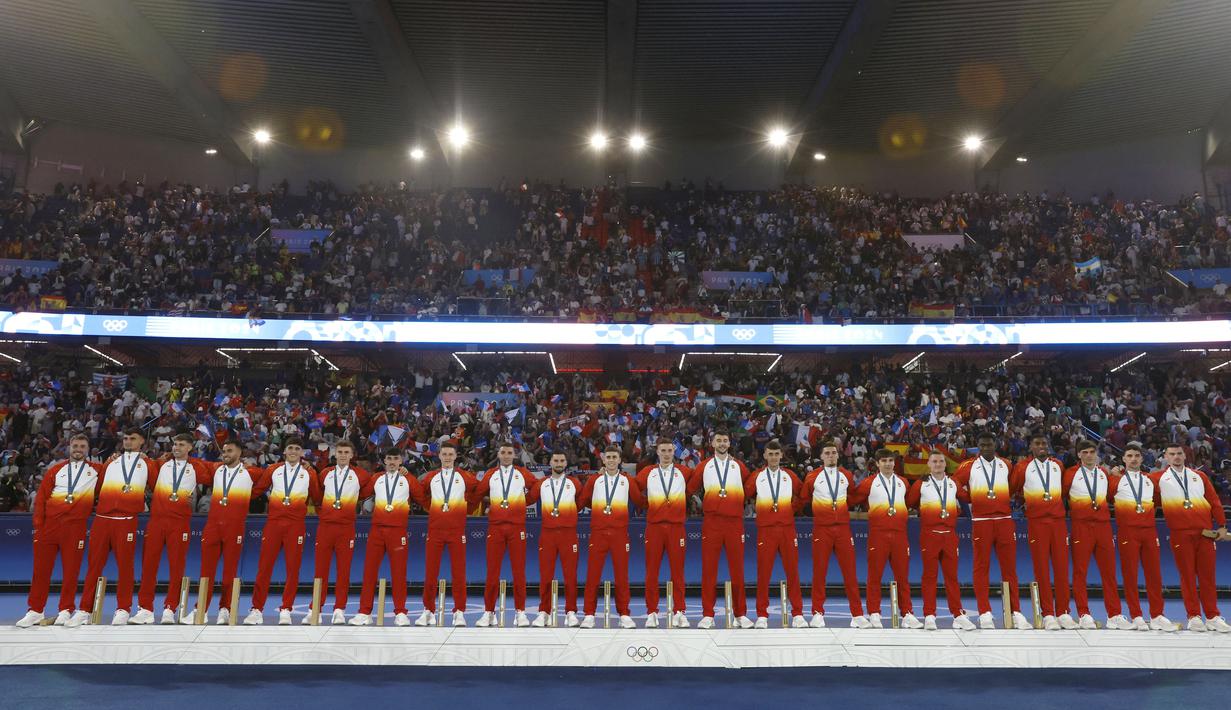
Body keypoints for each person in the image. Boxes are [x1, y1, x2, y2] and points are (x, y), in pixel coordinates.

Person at [16, 434, 102, 628]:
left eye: (82, 446)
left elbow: (117, 474)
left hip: (75, 527)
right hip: (49, 526)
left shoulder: (97, 471)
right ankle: (35, 610)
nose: (78, 449)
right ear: (69, 448)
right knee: (40, 571)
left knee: (71, 571)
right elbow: (41, 497)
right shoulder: (56, 470)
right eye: (75, 445)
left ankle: (65, 609)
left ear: (88, 449)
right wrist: (39, 526)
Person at [77, 428, 154, 626]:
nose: (128, 441)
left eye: (133, 439)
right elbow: (98, 485)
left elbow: (161, 486)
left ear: (142, 442)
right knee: (93, 566)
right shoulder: (111, 461)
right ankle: (84, 609)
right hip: (101, 519)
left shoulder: (148, 464)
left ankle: (123, 609)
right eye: (126, 438)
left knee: (125, 567)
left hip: (127, 520)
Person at [953, 433, 1031, 629]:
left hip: (1004, 520)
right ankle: (984, 612)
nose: (986, 447)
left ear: (995, 444)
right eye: (982, 444)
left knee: (1010, 569)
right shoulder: (968, 466)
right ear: (977, 446)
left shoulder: (1006, 464)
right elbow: (953, 483)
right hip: (981, 521)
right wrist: (969, 497)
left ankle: (1015, 612)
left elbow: (1012, 486)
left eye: (989, 444)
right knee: (981, 567)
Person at [132, 433, 211, 625]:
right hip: (157, 521)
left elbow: (218, 475)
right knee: (149, 565)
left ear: (190, 448)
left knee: (176, 568)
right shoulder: (161, 463)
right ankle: (145, 609)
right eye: (175, 444)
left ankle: (170, 608)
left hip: (180, 523)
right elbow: (143, 462)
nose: (176, 447)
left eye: (181, 444)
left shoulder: (197, 467)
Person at [1154, 443, 1229, 632]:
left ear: (1185, 455)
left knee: (1208, 577)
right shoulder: (1158, 479)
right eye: (1172, 454)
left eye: (1179, 453)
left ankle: (1212, 616)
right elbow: (1137, 483)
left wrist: (1221, 525)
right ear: (1166, 457)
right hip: (1180, 534)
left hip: (1205, 533)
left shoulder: (1199, 476)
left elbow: (1214, 501)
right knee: (1187, 577)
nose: (1176, 456)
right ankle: (1194, 616)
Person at [245, 437, 319, 625]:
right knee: (264, 567)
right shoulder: (273, 470)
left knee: (293, 569)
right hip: (274, 523)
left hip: (296, 525)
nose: (293, 451)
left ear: (301, 453)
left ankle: (286, 608)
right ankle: (256, 609)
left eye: (297, 448)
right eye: (290, 448)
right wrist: (243, 474)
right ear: (284, 451)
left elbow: (317, 498)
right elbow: (256, 491)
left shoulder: (309, 473)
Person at [798, 441, 869, 628]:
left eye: (833, 453)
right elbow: (803, 499)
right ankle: (817, 613)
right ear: (821, 456)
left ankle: (857, 614)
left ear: (838, 455)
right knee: (819, 572)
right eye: (827, 453)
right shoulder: (812, 477)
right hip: (822, 528)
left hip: (843, 528)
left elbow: (852, 497)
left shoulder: (846, 475)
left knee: (850, 572)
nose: (831, 456)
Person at [194, 439, 266, 624]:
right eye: (224, 451)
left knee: (229, 572)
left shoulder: (252, 472)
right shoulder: (216, 468)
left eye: (230, 451)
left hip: (234, 527)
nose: (225, 453)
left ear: (240, 453)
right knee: (205, 571)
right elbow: (195, 465)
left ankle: (225, 609)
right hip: (213, 526)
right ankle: (200, 609)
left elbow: (269, 478)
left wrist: (249, 495)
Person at [1009, 434, 1076, 630]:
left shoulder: (1058, 465)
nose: (1041, 446)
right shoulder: (1022, 467)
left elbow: (1062, 490)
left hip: (1058, 522)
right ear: (1030, 446)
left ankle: (1063, 612)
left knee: (1062, 568)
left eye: (1044, 443)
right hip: (1037, 522)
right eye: (1037, 443)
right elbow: (1013, 488)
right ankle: (1047, 614)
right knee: (1042, 569)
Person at [688, 430, 753, 629]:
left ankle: (741, 614)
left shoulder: (739, 466)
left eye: (725, 440)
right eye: (719, 440)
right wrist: (700, 502)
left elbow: (749, 487)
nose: (722, 443)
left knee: (738, 570)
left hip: (734, 522)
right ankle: (708, 614)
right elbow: (690, 488)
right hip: (712, 522)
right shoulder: (704, 466)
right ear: (712, 443)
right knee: (709, 569)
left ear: (730, 443)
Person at [849, 448, 921, 629]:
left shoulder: (903, 482)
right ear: (877, 463)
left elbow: (911, 502)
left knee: (903, 576)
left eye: (890, 460)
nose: (888, 464)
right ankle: (874, 613)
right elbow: (852, 500)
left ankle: (907, 614)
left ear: (894, 462)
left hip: (899, 535)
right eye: (884, 461)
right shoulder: (869, 483)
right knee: (874, 575)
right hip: (878, 535)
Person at [1063, 441, 1130, 630]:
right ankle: (1083, 614)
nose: (1090, 455)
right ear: (1079, 455)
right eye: (1085, 452)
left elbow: (1110, 495)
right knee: (1080, 572)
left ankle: (1114, 614)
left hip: (1103, 527)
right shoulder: (1070, 474)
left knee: (1109, 573)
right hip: (1081, 526)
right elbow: (1060, 494)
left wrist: (1117, 477)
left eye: (1092, 452)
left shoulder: (1103, 473)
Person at [907, 450, 976, 631]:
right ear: (928, 465)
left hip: (949, 534)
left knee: (952, 577)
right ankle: (929, 615)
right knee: (929, 576)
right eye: (934, 462)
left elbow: (964, 499)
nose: (938, 464)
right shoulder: (921, 484)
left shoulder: (953, 483)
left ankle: (958, 615)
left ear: (945, 464)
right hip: (930, 534)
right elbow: (911, 502)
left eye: (941, 461)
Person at [578, 446, 645, 629]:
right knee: (592, 575)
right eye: (608, 457)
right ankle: (589, 614)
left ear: (620, 459)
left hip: (619, 533)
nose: (612, 460)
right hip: (598, 533)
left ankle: (624, 614)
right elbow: (581, 501)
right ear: (603, 459)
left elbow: (640, 501)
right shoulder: (595, 480)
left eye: (615, 457)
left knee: (622, 576)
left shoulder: (627, 480)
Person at [349, 448, 418, 626]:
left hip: (398, 531)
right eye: (389, 458)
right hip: (377, 530)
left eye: (396, 458)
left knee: (399, 573)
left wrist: (410, 475)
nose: (393, 461)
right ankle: (364, 612)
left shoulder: (407, 478)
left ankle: (401, 612)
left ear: (401, 460)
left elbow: (422, 496)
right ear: (384, 461)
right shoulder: (377, 478)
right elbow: (361, 493)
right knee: (369, 571)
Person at [413, 442, 478, 627]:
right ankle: (428, 611)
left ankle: (459, 612)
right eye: (444, 454)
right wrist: (431, 508)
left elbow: (479, 491)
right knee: (430, 572)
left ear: (456, 456)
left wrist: (468, 507)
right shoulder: (431, 477)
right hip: (435, 530)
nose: (447, 457)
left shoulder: (465, 477)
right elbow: (419, 494)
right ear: (439, 456)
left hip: (457, 530)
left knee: (459, 572)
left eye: (450, 454)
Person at [474, 443, 538, 628]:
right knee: (492, 572)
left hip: (517, 527)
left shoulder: (522, 473)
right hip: (495, 527)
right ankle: (488, 613)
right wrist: (490, 504)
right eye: (503, 452)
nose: (507, 455)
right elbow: (478, 493)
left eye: (510, 452)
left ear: (515, 455)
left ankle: (521, 613)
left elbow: (536, 489)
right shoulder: (490, 474)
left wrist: (524, 502)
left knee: (519, 572)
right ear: (498, 454)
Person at [308, 439, 370, 625]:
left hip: (346, 527)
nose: (342, 455)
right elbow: (318, 496)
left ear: (352, 455)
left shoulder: (361, 475)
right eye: (340, 452)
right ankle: (316, 610)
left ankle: (339, 609)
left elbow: (365, 494)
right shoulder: (325, 473)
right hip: (326, 526)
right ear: (335, 454)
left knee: (343, 570)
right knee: (320, 570)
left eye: (346, 452)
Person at [745, 440, 805, 628]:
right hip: (766, 530)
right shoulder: (757, 476)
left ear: (781, 455)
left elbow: (803, 495)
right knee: (763, 573)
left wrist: (790, 510)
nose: (773, 457)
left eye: (776, 454)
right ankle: (762, 615)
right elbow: (743, 494)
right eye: (769, 454)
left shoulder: (790, 476)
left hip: (787, 529)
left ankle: (798, 614)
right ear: (765, 456)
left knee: (793, 572)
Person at [1113, 442, 1171, 631]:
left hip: (1149, 531)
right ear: (1124, 459)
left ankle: (1157, 615)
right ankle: (1136, 615)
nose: (1133, 459)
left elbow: (1161, 496)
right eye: (1129, 456)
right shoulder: (1115, 480)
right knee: (1130, 575)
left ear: (1142, 458)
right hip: (1128, 531)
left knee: (1154, 574)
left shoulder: (1150, 480)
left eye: (1136, 456)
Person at [635, 440, 690, 628]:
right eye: (663, 451)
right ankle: (651, 612)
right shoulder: (648, 472)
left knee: (678, 572)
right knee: (652, 572)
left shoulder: (684, 471)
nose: (666, 454)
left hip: (676, 527)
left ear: (674, 452)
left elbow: (696, 485)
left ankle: (680, 611)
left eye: (669, 450)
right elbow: (632, 488)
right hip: (655, 527)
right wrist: (646, 505)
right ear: (657, 452)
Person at [530, 450, 582, 627]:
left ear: (566, 463)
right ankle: (543, 612)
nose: (559, 463)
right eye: (556, 460)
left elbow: (582, 502)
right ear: (550, 463)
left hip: (568, 534)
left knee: (570, 576)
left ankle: (571, 612)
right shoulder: (541, 484)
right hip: (548, 534)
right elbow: (527, 499)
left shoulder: (574, 483)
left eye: (562, 460)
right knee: (545, 575)